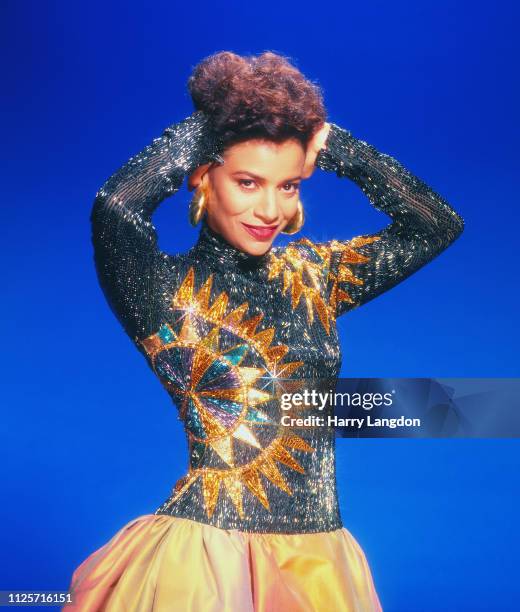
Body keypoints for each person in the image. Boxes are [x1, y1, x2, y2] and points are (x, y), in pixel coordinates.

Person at [64, 51, 464, 611]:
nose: (270, 209)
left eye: (290, 186)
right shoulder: (161, 289)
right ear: (204, 176)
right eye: (248, 182)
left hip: (320, 559)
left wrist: (337, 148)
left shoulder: (314, 278)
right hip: (208, 557)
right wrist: (213, 127)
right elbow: (115, 208)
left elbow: (437, 224)